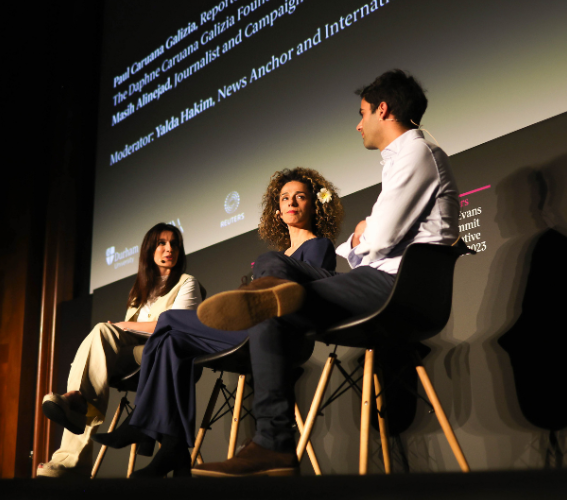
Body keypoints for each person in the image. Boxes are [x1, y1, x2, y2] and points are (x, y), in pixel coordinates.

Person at [191, 69, 461, 477]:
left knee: (272, 298)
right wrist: (362, 237)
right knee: (273, 265)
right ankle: (270, 293)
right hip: (373, 279)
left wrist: (360, 237)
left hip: (394, 288)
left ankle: (273, 443)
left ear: (383, 109)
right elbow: (373, 238)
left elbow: (381, 236)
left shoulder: (416, 153)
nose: (358, 124)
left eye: (363, 113)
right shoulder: (405, 158)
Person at [91, 167, 344, 478]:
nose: (291, 202)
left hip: (279, 335)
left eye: (300, 197)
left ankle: (142, 422)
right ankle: (173, 447)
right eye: (285, 198)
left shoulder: (318, 245)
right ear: (277, 212)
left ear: (313, 205)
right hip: (252, 330)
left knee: (169, 319)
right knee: (171, 341)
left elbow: (305, 298)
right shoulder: (279, 255)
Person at [37, 223, 202, 478]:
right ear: (149, 249)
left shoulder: (186, 283)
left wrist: (125, 325)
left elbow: (176, 327)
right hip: (136, 359)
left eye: (174, 244)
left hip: (164, 356)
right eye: (162, 243)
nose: (169, 249)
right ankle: (75, 411)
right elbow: (127, 338)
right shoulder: (140, 292)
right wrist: (122, 328)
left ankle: (73, 436)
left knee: (106, 332)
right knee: (101, 339)